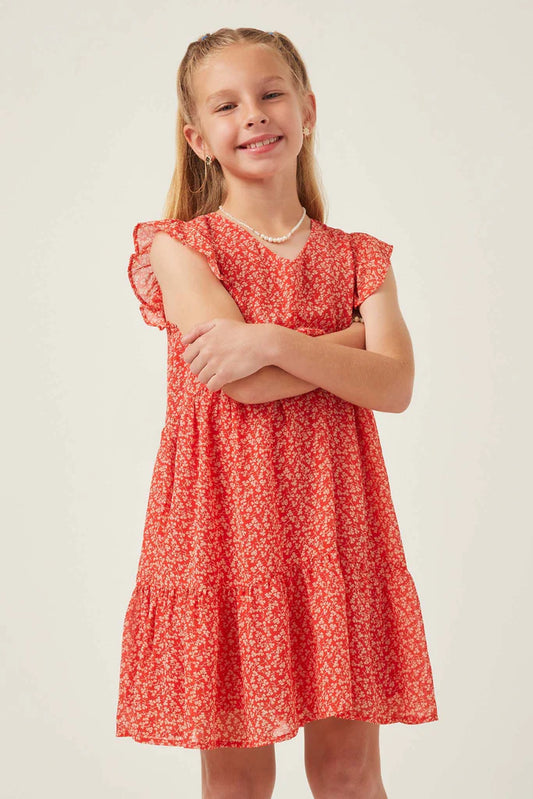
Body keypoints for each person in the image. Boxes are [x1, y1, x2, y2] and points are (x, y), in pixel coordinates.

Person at [115, 26, 438, 799]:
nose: (253, 114)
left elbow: (394, 384)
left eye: (269, 94)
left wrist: (267, 339)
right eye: (226, 105)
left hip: (335, 525)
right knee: (236, 778)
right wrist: (350, 346)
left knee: (347, 771)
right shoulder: (180, 247)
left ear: (307, 109)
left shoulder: (360, 256)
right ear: (197, 138)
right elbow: (246, 386)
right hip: (225, 529)